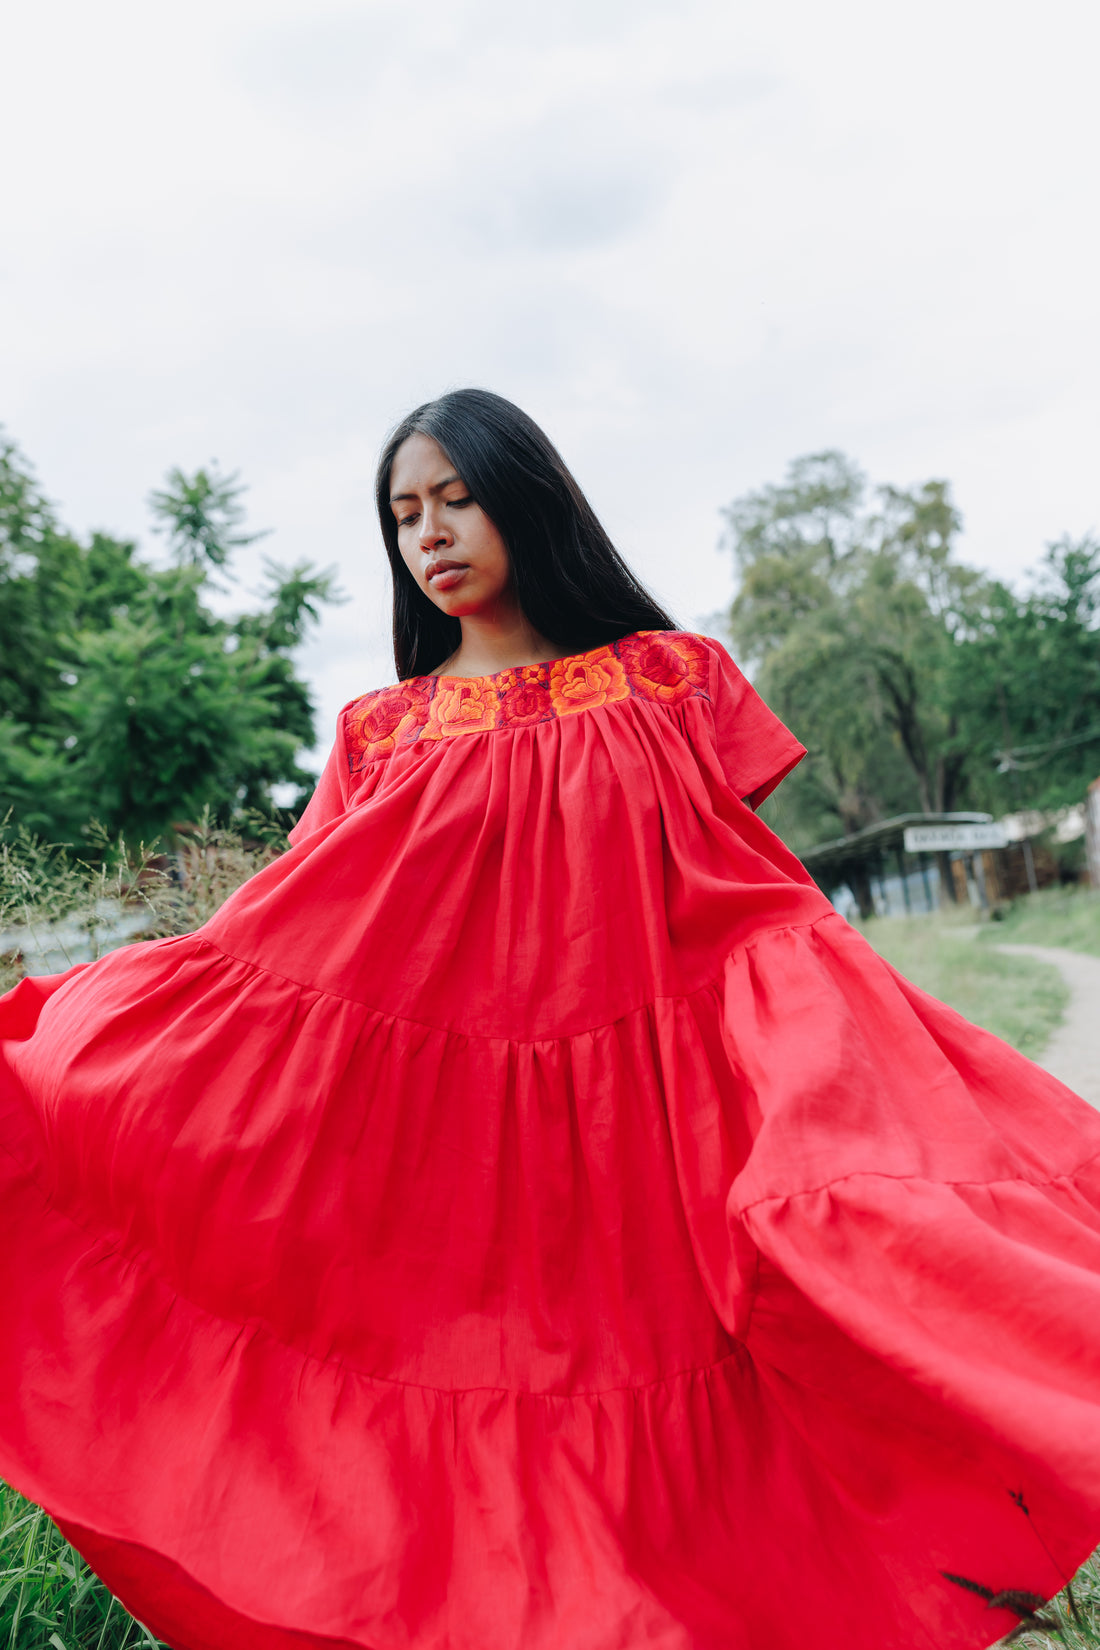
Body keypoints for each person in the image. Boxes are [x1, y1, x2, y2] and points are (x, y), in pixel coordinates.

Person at [0, 387, 1098, 1650]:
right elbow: (294, 938)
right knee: (494, 1411)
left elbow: (751, 894)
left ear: (530, 496)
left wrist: (814, 1062)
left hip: (660, 1126)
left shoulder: (671, 680)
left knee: (710, 1399)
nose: (431, 535)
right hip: (456, 1149)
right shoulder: (383, 731)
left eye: (457, 498)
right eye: (405, 514)